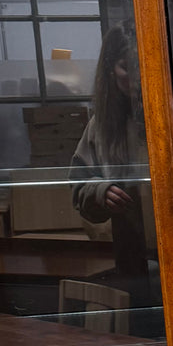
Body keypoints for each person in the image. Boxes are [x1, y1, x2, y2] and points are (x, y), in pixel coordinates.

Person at [70, 21, 158, 308]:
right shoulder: (102, 126)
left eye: (142, 66)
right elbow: (79, 184)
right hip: (133, 258)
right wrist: (101, 191)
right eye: (126, 67)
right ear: (110, 69)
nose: (136, 76)